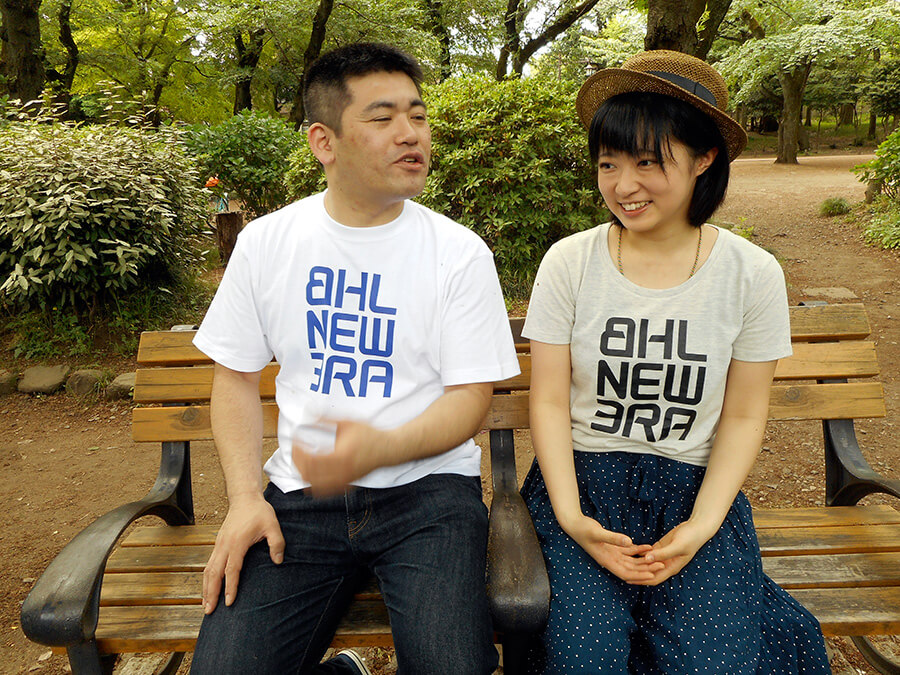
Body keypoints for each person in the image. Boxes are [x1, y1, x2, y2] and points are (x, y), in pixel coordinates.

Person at [190, 42, 518, 675]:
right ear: (324, 141)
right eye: (383, 117)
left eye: (417, 116)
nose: (410, 134)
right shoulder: (267, 242)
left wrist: (377, 449)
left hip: (430, 498)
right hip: (300, 496)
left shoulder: (458, 253)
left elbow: (470, 399)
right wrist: (245, 498)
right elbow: (234, 378)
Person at [520, 50, 831, 673]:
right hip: (583, 484)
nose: (622, 186)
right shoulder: (570, 262)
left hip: (692, 492)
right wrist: (572, 518)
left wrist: (701, 525)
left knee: (711, 662)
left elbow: (743, 415)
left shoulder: (751, 274)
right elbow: (549, 401)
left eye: (648, 162)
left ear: (704, 158)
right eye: (608, 163)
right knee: (585, 655)